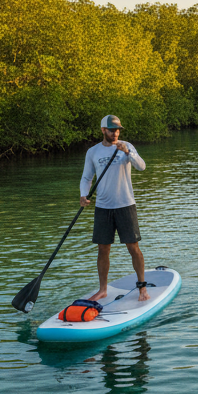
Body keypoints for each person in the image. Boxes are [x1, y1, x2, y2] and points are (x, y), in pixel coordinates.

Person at [79, 115, 149, 302]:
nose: (115, 133)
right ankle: (103, 290)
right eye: (111, 130)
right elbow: (87, 178)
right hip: (103, 207)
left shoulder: (127, 146)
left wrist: (128, 153)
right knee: (103, 249)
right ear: (103, 130)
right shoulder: (93, 152)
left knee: (133, 247)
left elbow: (141, 167)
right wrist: (83, 195)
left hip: (126, 205)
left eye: (118, 130)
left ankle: (142, 288)